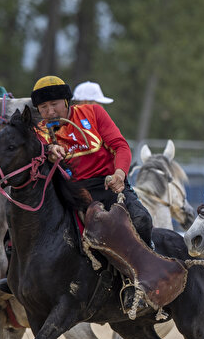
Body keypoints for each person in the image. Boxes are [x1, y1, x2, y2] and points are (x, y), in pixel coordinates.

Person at [31, 75, 152, 245]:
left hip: (107, 186)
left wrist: (119, 174)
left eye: (54, 104)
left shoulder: (93, 113)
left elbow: (120, 146)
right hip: (68, 195)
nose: (50, 111)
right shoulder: (38, 132)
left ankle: (147, 265)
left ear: (66, 101)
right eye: (43, 107)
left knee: (141, 221)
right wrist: (48, 150)